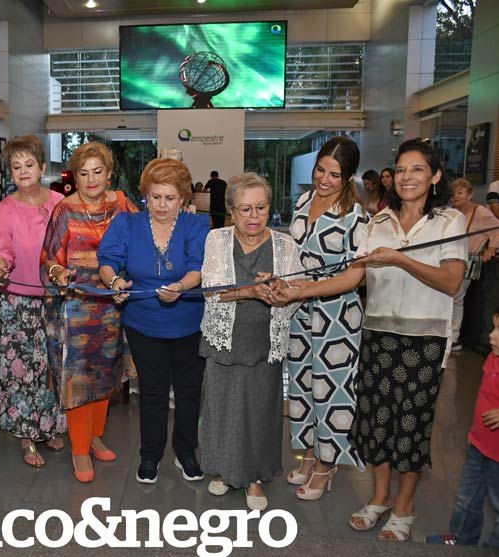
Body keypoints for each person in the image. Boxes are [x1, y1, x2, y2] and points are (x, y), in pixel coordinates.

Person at [272, 138, 467, 541]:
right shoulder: (381, 222)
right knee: (375, 420)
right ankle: (378, 498)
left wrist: (398, 259)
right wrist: (294, 287)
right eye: (402, 169)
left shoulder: (446, 220)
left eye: (417, 169)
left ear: (435, 175)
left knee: (408, 425)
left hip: (419, 337)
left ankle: (403, 506)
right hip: (376, 332)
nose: (407, 177)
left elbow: (450, 282)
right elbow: (352, 272)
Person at [98, 158, 209, 485]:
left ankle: (186, 451)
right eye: (155, 197)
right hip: (143, 322)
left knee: (188, 391)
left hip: (188, 321)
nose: (161, 205)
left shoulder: (197, 225)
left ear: (183, 197)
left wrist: (181, 287)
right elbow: (107, 261)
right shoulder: (127, 224)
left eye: (170, 198)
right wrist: (115, 282)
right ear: (145, 194)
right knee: (152, 391)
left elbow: (198, 267)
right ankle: (150, 455)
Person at [198, 172, 303, 510]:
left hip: (264, 342)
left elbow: (298, 290)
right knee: (221, 409)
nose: (254, 216)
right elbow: (212, 290)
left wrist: (280, 290)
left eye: (261, 207)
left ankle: (254, 478)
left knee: (259, 412)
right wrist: (251, 291)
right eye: (245, 209)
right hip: (224, 338)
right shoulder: (217, 239)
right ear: (231, 212)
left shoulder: (285, 245)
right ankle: (224, 470)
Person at [41, 141, 137, 483]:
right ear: (75, 177)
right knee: (79, 380)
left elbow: (143, 239)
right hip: (75, 307)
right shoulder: (64, 210)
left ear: (109, 174)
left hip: (114, 305)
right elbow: (49, 258)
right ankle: (79, 449)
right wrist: (58, 273)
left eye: (98, 172)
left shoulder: (122, 204)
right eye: (84, 173)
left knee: (106, 375)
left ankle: (95, 437)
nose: (92, 179)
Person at [285, 136, 367, 501]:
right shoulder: (303, 202)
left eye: (335, 175)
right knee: (302, 385)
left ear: (348, 177)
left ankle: (327, 463)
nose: (324, 179)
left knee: (331, 390)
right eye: (321, 170)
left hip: (337, 316)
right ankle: (308, 454)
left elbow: (356, 276)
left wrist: (308, 289)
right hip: (300, 311)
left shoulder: (356, 215)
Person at [0, 135, 66, 468]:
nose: (23, 171)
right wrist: (0, 264)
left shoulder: (60, 203)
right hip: (19, 301)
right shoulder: (5, 208)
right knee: (23, 370)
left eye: (29, 164)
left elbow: (68, 244)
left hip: (56, 299)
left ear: (42, 167)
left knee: (52, 367)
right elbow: (2, 244)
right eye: (16, 166)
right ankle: (26, 435)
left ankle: (47, 427)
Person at [426, 306, 499, 549]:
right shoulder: (493, 358)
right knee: (467, 499)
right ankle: (461, 540)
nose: (491, 335)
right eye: (494, 327)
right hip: (478, 445)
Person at [449, 178, 499, 351]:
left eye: (460, 192)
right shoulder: (454, 213)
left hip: (469, 261)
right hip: (453, 259)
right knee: (452, 297)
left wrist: (491, 248)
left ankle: (453, 337)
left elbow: (497, 229)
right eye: (453, 193)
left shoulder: (480, 212)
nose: (456, 196)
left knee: (456, 297)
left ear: (470, 195)